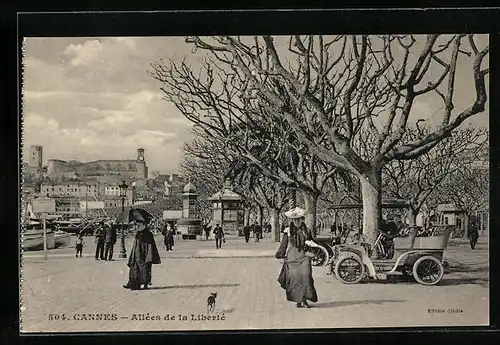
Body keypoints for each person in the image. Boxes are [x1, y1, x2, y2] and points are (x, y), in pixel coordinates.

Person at [275, 216, 318, 308]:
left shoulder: (307, 230)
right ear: (292, 220)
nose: (296, 221)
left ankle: (305, 300)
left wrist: (312, 250)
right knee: (296, 280)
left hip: (304, 257)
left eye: (298, 219)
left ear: (302, 219)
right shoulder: (288, 231)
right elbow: (284, 244)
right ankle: (300, 300)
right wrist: (280, 255)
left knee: (307, 277)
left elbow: (311, 242)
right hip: (292, 258)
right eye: (294, 219)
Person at [123, 220, 161, 290]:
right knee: (135, 269)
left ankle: (145, 283)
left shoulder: (148, 234)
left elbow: (149, 246)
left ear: (144, 225)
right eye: (137, 225)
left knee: (145, 269)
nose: (137, 226)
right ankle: (134, 284)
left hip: (144, 254)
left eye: (139, 225)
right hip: (137, 254)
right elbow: (136, 244)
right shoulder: (138, 233)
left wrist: (149, 256)